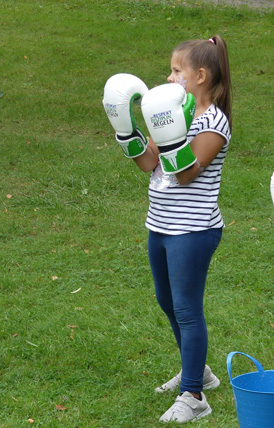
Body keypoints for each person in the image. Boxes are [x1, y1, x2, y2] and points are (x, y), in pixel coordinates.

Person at [102, 35, 231, 423]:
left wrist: (170, 130)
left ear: (201, 76)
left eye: (177, 71)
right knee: (166, 301)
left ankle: (193, 395)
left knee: (187, 309)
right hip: (160, 223)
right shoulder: (174, 110)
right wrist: (126, 130)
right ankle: (199, 372)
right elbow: (150, 165)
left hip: (193, 229)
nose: (170, 77)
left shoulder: (214, 121)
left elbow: (188, 174)